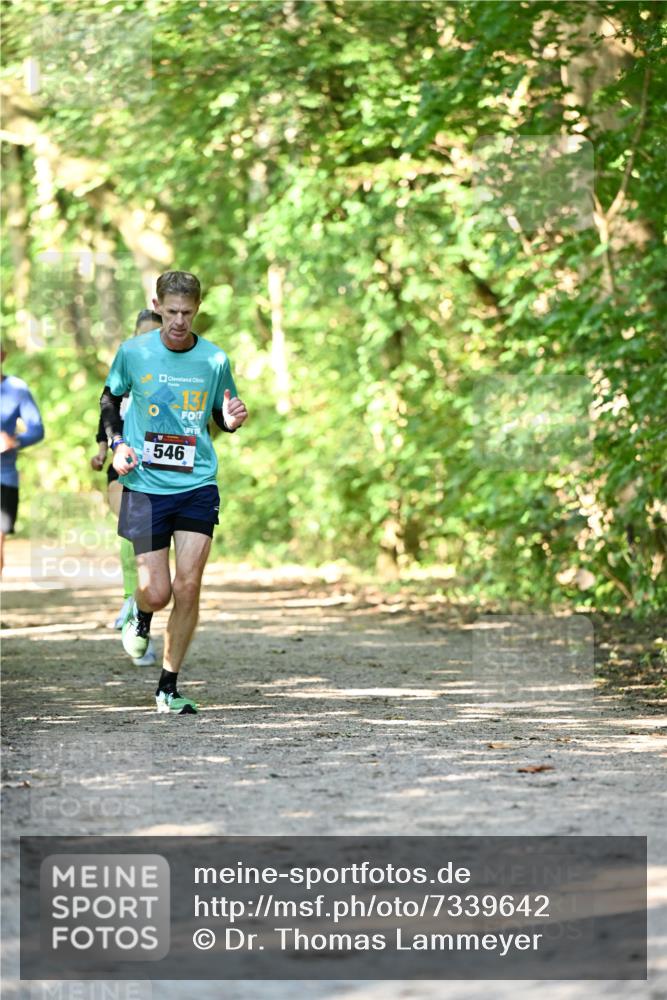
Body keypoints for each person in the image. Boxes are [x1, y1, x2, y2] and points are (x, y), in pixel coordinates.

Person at [100, 271, 248, 715]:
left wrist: (232, 419)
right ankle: (140, 612)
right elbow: (110, 399)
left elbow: (222, 414)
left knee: (188, 585)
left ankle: (168, 685)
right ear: (157, 304)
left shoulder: (214, 360)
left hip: (197, 483)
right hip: (145, 487)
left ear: (197, 309)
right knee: (158, 591)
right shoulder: (133, 352)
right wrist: (117, 444)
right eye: (171, 312)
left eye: (187, 313)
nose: (179, 321)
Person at [91, 308, 162, 665]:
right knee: (134, 535)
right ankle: (128, 601)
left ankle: (141, 618)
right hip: (124, 464)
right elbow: (107, 409)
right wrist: (103, 449)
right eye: (143, 336)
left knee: (154, 545)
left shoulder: (171, 374)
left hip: (164, 471)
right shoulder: (126, 366)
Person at [0, 345, 45, 575]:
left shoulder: (16, 389)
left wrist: (13, 441)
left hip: (4, 478)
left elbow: (37, 429)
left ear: (2, 355)